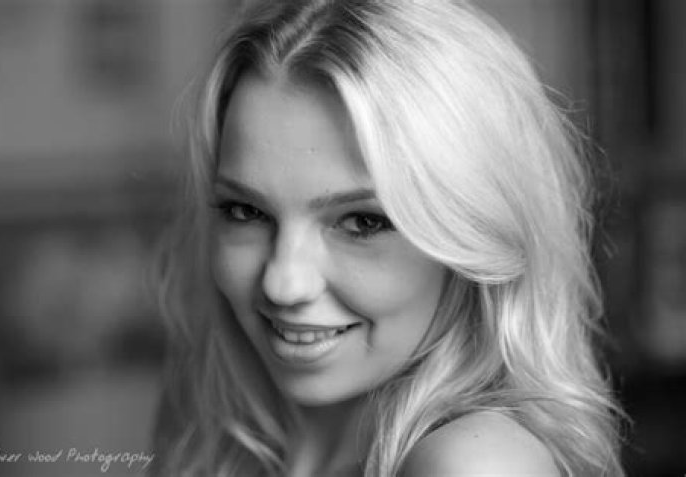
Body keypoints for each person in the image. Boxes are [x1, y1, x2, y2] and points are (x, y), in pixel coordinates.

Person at [151, 0, 626, 475]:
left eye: (362, 222)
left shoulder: (475, 463)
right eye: (247, 212)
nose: (284, 284)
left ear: (473, 233)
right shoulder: (223, 431)